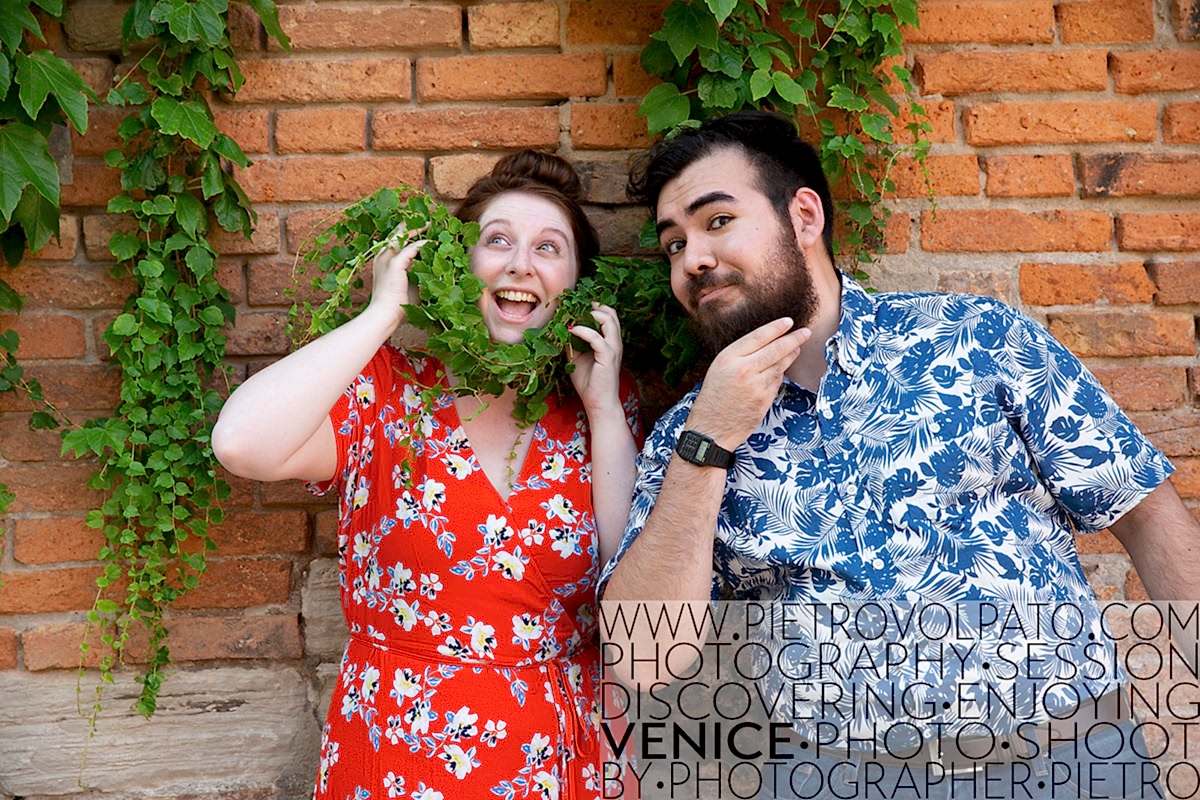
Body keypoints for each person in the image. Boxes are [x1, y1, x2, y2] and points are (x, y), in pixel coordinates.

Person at [598, 111, 1200, 798]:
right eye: (673, 244)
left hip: (1066, 765)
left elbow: (1145, 514)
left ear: (803, 216)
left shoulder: (976, 339)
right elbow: (644, 656)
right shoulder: (689, 437)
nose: (693, 258)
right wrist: (710, 442)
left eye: (717, 221)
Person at [213, 151, 641, 800]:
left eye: (549, 248)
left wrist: (605, 409)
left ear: (576, 284)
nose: (521, 263)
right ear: (459, 265)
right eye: (496, 241)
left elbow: (630, 590)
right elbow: (242, 443)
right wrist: (382, 312)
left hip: (560, 759)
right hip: (399, 755)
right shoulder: (385, 395)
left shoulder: (600, 408)